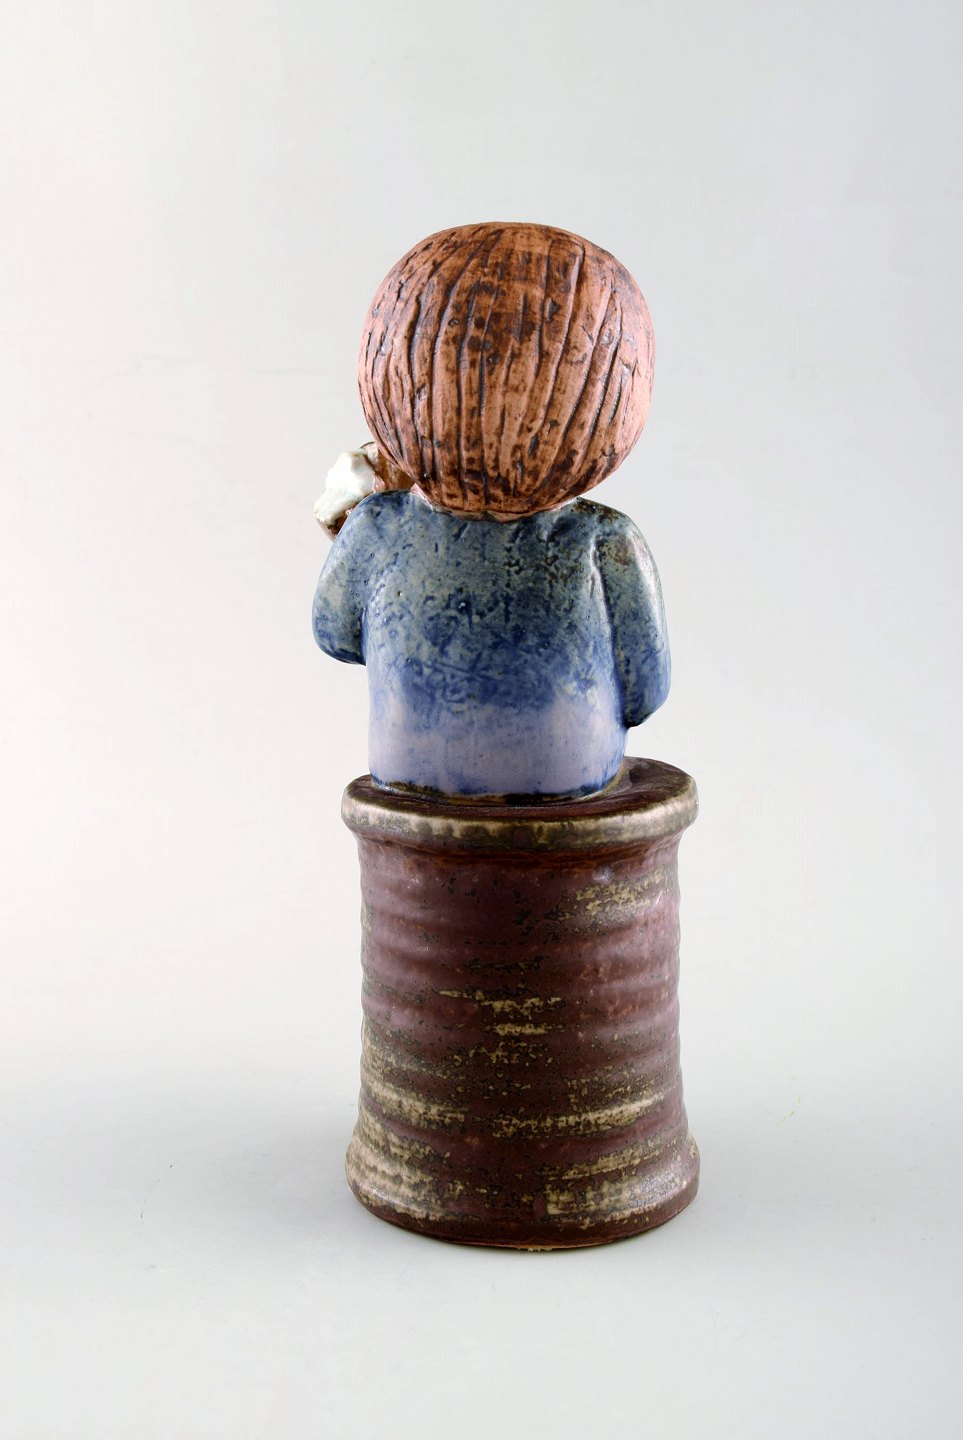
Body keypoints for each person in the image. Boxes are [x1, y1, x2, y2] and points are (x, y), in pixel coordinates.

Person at [312, 222, 670, 798]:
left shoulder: (378, 527)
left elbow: (335, 635)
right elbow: (646, 691)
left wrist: (362, 517)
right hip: (570, 794)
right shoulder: (605, 543)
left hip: (409, 794)